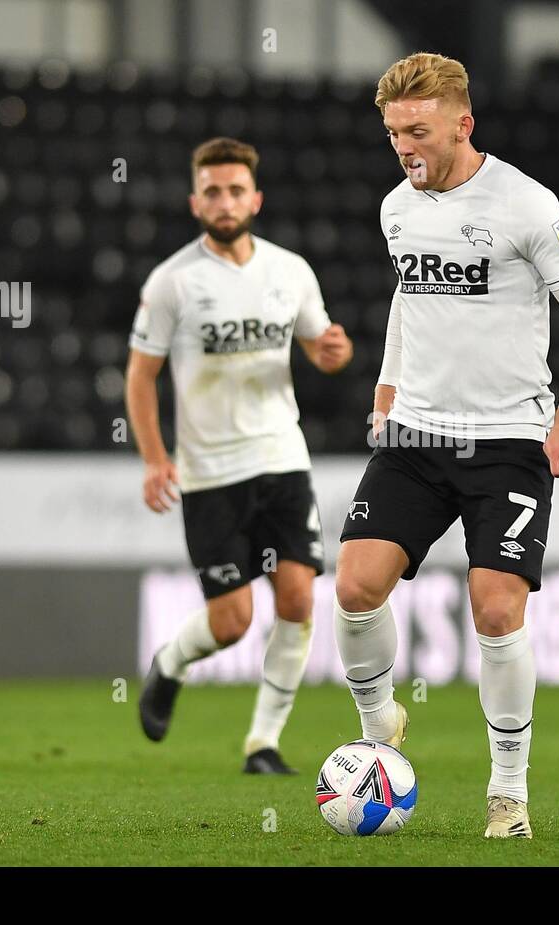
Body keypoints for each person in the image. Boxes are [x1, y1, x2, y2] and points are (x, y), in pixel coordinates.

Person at [333, 53, 559, 837]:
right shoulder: (397, 207)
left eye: (417, 131)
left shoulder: (525, 204)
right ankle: (380, 720)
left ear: (464, 121)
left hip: (508, 441)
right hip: (417, 434)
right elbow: (407, 296)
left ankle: (508, 791)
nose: (404, 147)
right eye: (393, 133)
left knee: (494, 609)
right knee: (354, 589)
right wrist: (388, 387)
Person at [126, 137, 353, 774]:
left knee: (299, 600)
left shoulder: (291, 272)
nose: (224, 203)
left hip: (281, 458)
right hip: (209, 474)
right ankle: (169, 664)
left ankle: (264, 743)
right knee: (230, 622)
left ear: (255, 198)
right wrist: (153, 457)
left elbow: (322, 346)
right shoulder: (172, 282)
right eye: (212, 192)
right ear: (194, 202)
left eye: (235, 191)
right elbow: (140, 376)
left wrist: (333, 354)